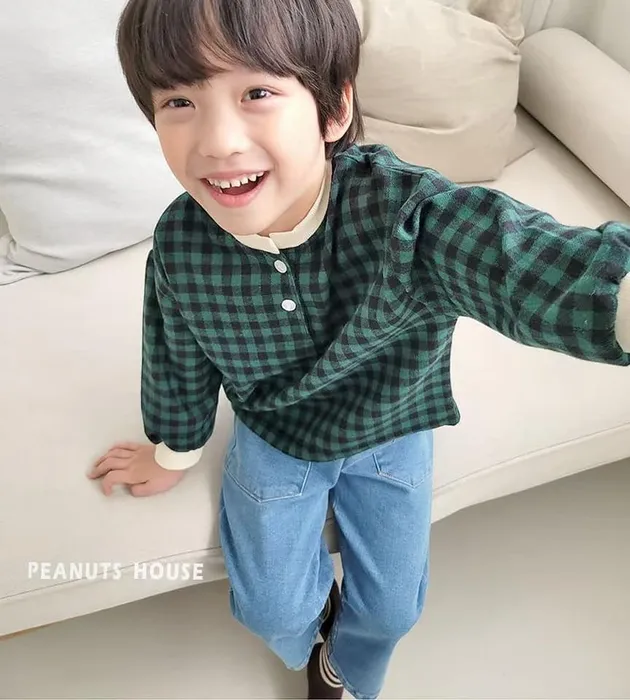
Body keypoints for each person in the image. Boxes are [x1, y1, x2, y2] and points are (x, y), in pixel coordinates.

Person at [89, 0, 630, 697]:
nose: (217, 142)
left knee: (395, 608)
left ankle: (345, 668)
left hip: (393, 426)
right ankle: (315, 637)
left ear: (333, 109)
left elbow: (511, 257)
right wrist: (173, 449)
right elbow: (174, 353)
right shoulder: (180, 243)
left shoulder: (405, 213)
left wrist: (615, 298)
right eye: (179, 102)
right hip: (277, 434)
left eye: (257, 93)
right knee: (269, 609)